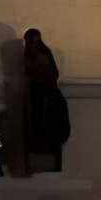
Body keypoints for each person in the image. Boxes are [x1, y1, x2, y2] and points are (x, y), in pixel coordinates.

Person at [21, 29, 71, 173]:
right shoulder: (29, 55)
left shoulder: (43, 54)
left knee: (48, 126)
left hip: (47, 95)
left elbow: (52, 74)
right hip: (35, 95)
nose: (31, 45)